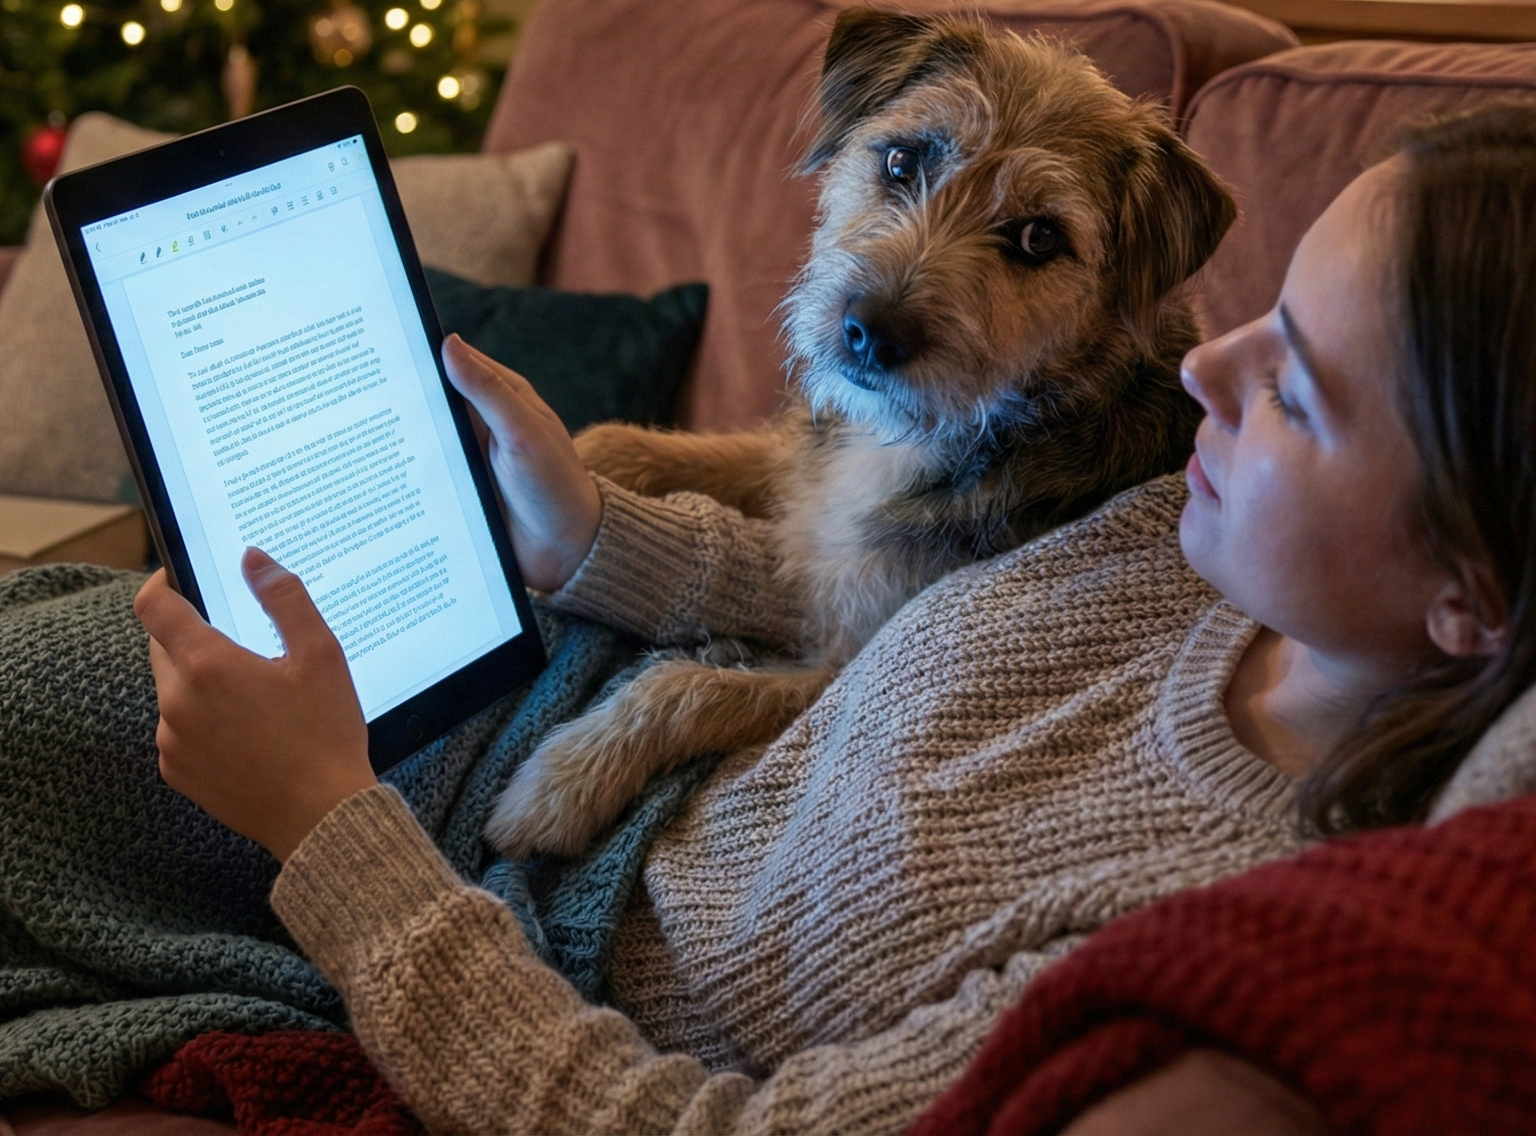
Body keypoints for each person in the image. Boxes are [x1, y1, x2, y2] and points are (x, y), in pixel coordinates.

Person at [130, 102, 1536, 1135]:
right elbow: (852, 612)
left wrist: (326, 822)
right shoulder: (1191, 545)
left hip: (471, 910)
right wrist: (594, 533)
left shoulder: (1197, 926)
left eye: (1297, 389)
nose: (1204, 367)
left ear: (1470, 598)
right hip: (527, 718)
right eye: (1266, 319)